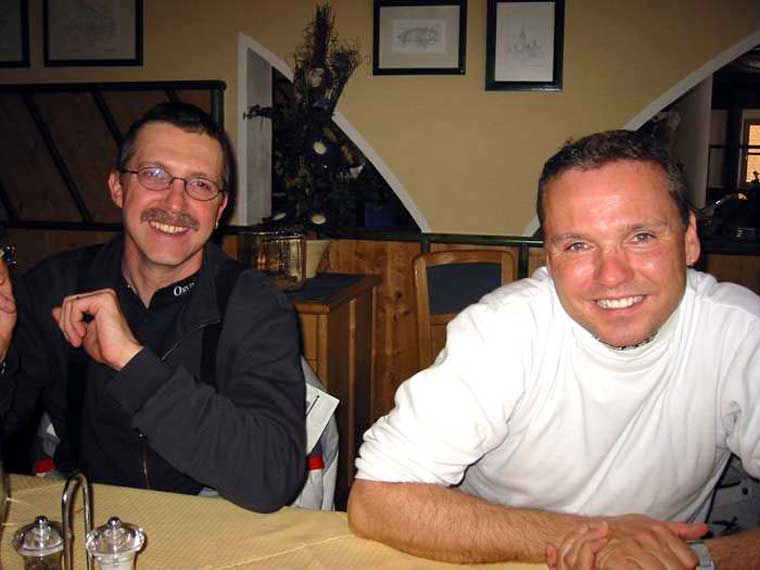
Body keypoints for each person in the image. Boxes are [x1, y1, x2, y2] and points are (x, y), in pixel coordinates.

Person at [347, 130, 760, 568]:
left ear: (689, 238)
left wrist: (695, 561)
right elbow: (376, 499)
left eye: (641, 237)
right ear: (548, 256)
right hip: (503, 559)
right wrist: (597, 542)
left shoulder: (741, 334)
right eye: (578, 245)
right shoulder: (502, 331)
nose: (612, 275)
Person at [0, 102, 306, 513]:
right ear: (117, 187)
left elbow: (272, 476)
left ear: (219, 209)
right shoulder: (53, 286)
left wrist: (132, 364)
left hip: (215, 514)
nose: (175, 204)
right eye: (154, 175)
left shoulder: (254, 305)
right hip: (88, 509)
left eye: (200, 184)